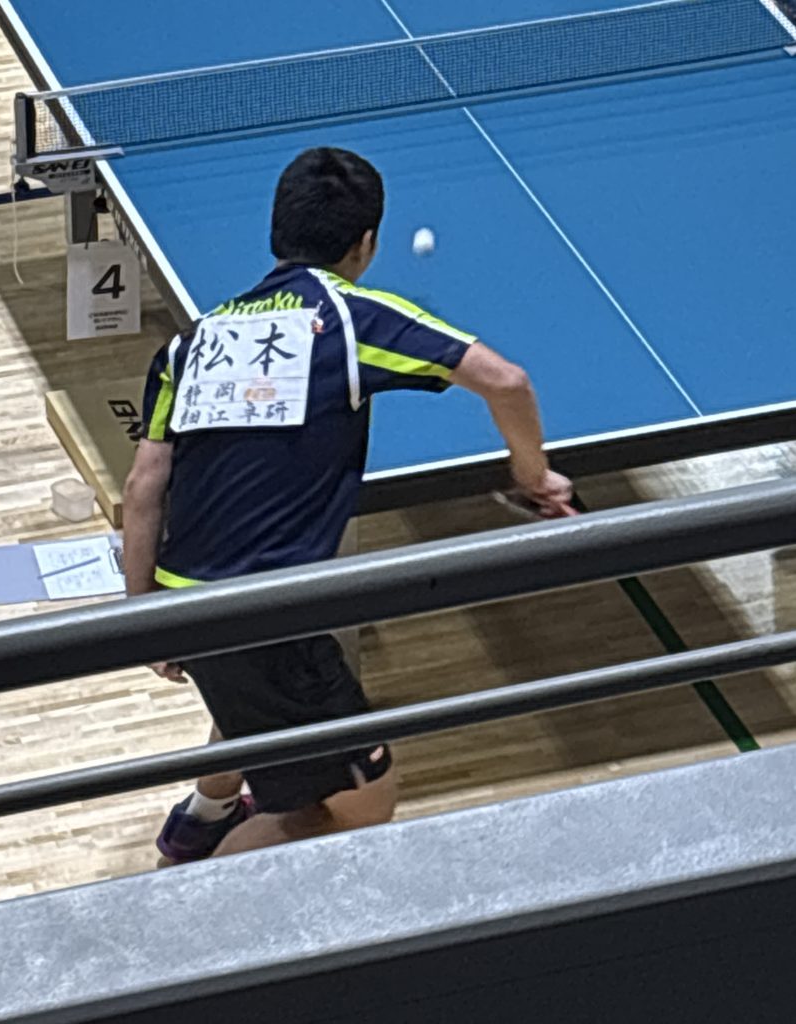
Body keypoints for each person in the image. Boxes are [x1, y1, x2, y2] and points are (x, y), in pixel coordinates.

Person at [122, 146, 573, 864]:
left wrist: (139, 614)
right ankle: (197, 892)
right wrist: (534, 475)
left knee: (257, 702)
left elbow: (145, 482)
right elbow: (507, 382)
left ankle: (204, 814)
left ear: (276, 232)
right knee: (359, 804)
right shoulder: (351, 318)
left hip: (184, 597)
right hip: (268, 610)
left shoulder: (193, 342)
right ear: (365, 243)